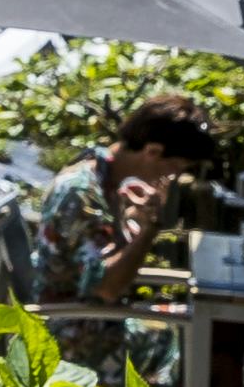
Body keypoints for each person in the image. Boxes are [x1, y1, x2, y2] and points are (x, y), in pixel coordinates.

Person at [29, 91, 227, 313]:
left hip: (101, 314)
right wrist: (151, 228)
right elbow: (106, 287)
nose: (173, 177)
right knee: (203, 322)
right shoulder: (81, 193)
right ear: (152, 151)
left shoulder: (106, 177)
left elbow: (103, 248)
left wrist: (136, 220)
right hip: (76, 321)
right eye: (175, 167)